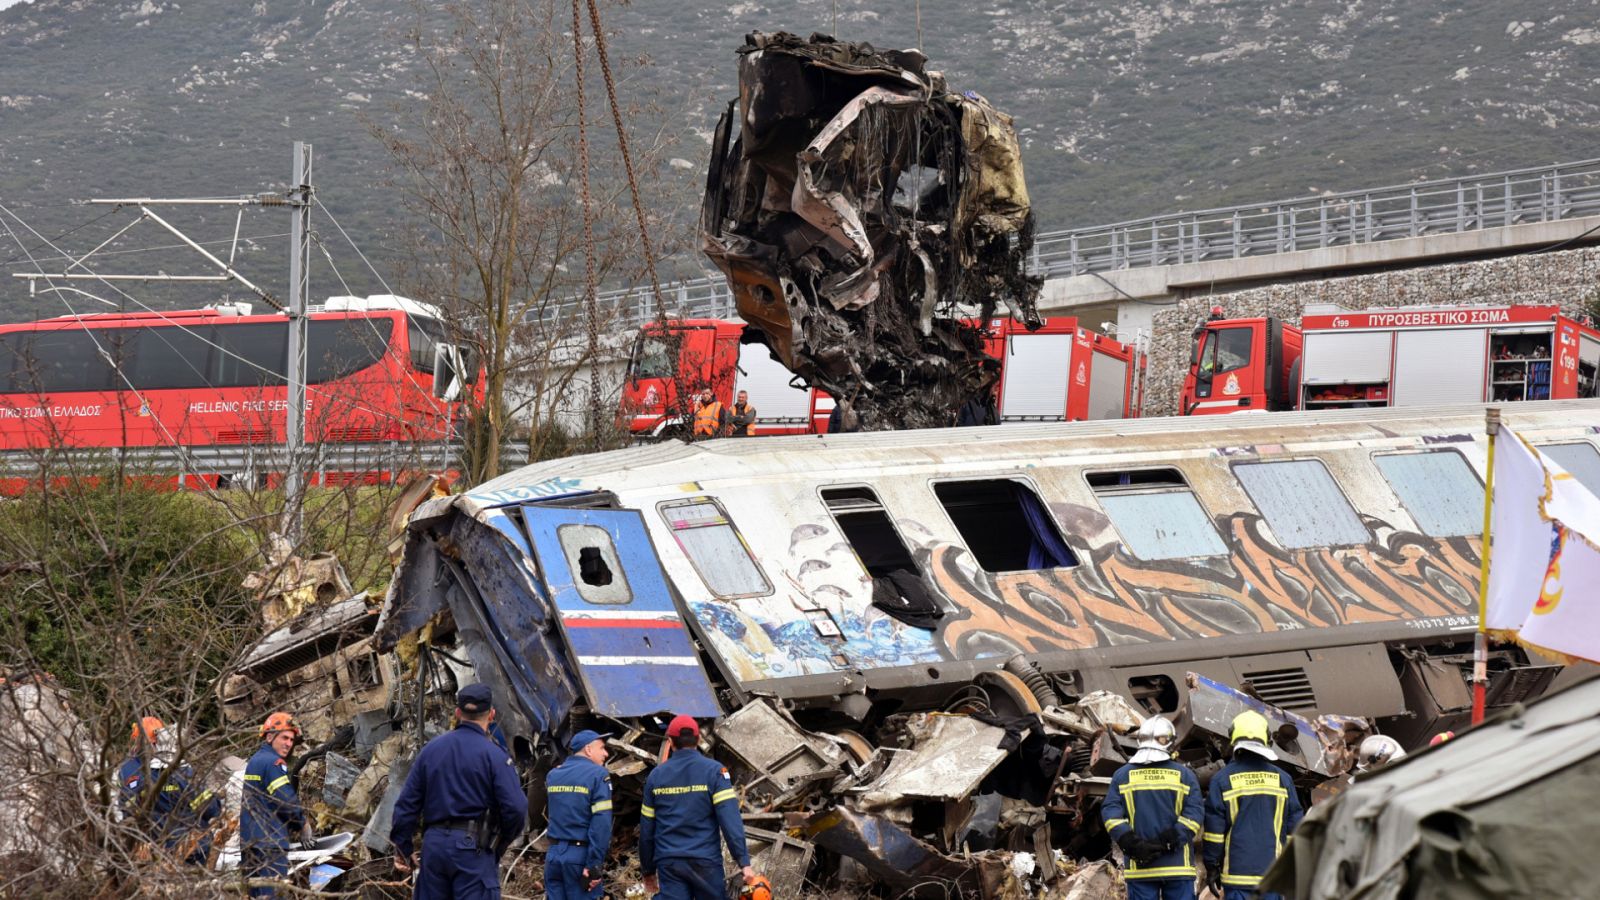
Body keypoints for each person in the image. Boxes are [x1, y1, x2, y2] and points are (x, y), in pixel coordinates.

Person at [390, 683, 528, 899]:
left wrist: (403, 849)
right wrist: (499, 845)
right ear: (491, 714)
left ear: (457, 713)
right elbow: (517, 808)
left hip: (434, 849)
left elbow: (406, 805)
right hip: (473, 852)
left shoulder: (430, 751)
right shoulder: (495, 756)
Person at [640, 715, 755, 900]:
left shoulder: (656, 777)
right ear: (699, 739)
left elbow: (647, 830)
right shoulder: (715, 772)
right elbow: (730, 821)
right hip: (705, 862)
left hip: (669, 863)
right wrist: (743, 862)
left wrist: (647, 870)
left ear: (670, 741)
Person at [1201, 711, 1303, 900]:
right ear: (1266, 740)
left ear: (1233, 739)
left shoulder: (1222, 780)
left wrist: (1212, 866)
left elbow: (1214, 833)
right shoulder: (1283, 780)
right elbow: (1294, 828)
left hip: (1237, 875)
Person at [1101, 716, 1203, 900]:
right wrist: (1168, 841)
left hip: (1140, 869)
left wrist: (1130, 841)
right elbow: (1194, 815)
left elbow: (1110, 813)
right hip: (1178, 867)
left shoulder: (1122, 775)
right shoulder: (1185, 776)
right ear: (1171, 743)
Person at [118, 716, 222, 865]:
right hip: (192, 845)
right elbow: (209, 808)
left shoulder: (139, 774)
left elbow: (129, 809)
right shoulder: (184, 773)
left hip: (158, 847)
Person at [240, 712, 310, 898]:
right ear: (270, 736)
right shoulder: (273, 763)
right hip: (270, 845)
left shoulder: (255, 761)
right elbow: (285, 801)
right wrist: (302, 824)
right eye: (284, 737)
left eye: (291, 739)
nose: (288, 743)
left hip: (250, 843)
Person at [544, 729, 614, 900]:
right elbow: (601, 824)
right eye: (602, 748)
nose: (606, 754)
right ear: (588, 749)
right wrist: (593, 865)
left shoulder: (553, 775)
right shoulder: (598, 775)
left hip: (553, 856)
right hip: (579, 858)